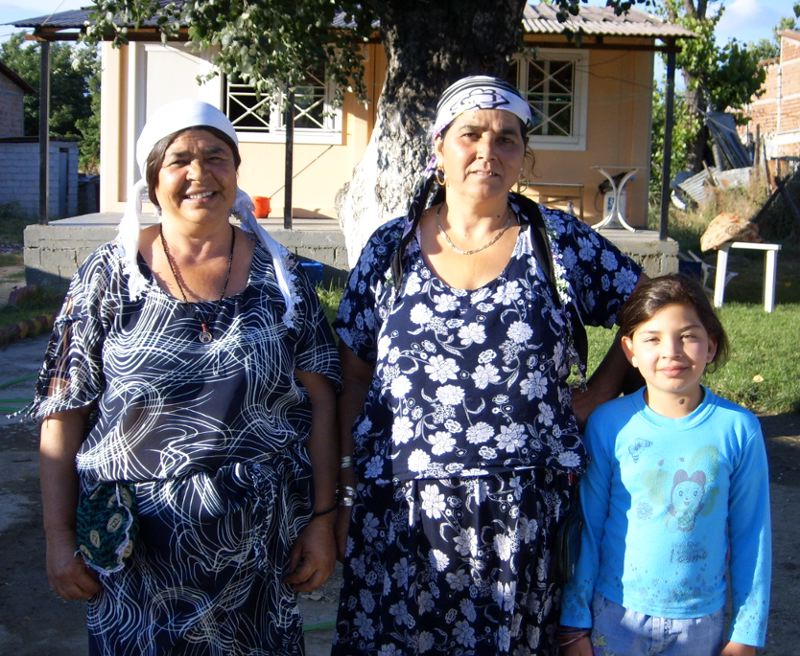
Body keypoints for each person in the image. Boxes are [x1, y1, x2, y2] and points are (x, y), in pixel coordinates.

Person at [331, 75, 644, 656]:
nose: (487, 151)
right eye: (470, 134)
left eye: (506, 139)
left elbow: (653, 306)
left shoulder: (559, 245)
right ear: (439, 149)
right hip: (401, 517)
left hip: (521, 519)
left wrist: (600, 391)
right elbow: (352, 374)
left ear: (523, 157)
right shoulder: (389, 250)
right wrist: (347, 493)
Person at [31, 99, 341, 655]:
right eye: (179, 160)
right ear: (154, 180)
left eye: (216, 157)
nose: (200, 174)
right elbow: (62, 413)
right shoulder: (109, 275)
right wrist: (59, 539)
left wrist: (322, 519)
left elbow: (321, 402)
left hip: (256, 552)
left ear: (236, 170)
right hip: (133, 552)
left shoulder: (281, 276)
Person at [559, 273, 771, 656]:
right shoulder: (609, 425)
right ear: (629, 350)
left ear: (711, 345)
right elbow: (586, 527)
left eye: (688, 336)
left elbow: (751, 534)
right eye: (653, 338)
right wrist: (574, 625)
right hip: (615, 617)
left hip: (700, 624)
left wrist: (745, 635)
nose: (671, 351)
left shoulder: (739, 430)